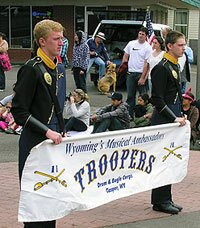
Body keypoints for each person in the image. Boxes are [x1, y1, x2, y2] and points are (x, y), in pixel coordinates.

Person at [11, 19, 66, 228]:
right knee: (35, 198)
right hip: (34, 140)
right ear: (42, 41)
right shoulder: (31, 69)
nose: (61, 42)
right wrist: (47, 131)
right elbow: (19, 111)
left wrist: (62, 130)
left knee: (51, 196)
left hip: (54, 141)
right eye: (56, 39)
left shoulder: (59, 67)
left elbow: (58, 106)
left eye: (62, 38)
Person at [150, 30, 187, 215]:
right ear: (169, 46)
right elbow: (156, 99)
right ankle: (160, 200)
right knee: (162, 160)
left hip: (173, 119)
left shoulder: (174, 65)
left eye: (184, 44)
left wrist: (181, 113)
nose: (184, 48)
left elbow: (175, 96)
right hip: (163, 121)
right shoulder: (161, 67)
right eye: (180, 45)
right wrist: (173, 117)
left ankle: (166, 197)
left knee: (169, 159)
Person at [122, 27, 152, 117]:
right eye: (140, 34)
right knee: (130, 96)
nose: (141, 36)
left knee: (143, 97)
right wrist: (124, 67)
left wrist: (143, 78)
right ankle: (129, 116)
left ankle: (142, 116)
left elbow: (147, 64)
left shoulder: (148, 47)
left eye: (143, 34)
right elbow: (125, 56)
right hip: (131, 74)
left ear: (146, 36)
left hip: (140, 74)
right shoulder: (131, 44)